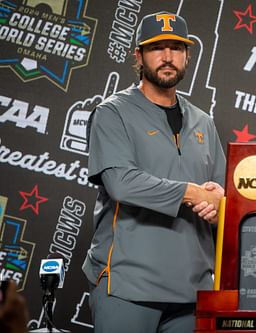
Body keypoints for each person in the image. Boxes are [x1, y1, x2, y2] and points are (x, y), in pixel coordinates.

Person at [82, 11, 225, 333]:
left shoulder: (204, 121)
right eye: (157, 48)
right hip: (128, 284)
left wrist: (218, 205)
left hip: (194, 289)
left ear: (187, 55)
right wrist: (192, 192)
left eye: (176, 48)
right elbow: (122, 183)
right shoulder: (112, 112)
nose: (167, 57)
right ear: (139, 56)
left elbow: (219, 191)